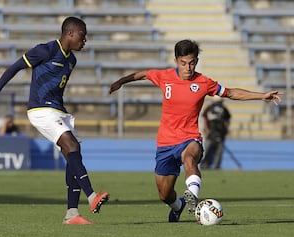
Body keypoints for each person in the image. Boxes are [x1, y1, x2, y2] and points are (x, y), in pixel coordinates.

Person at [109, 39, 281, 222]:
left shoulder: (204, 82)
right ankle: (179, 205)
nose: (188, 67)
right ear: (176, 61)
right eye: (183, 63)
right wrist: (121, 81)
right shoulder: (164, 76)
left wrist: (261, 96)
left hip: (190, 138)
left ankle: (192, 195)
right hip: (165, 142)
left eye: (192, 63)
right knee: (164, 195)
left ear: (196, 61)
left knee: (190, 158)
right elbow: (142, 74)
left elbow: (230, 93)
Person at [0, 16, 109, 225]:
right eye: (82, 36)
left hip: (58, 111)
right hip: (40, 109)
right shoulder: (45, 50)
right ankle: (92, 196)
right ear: (70, 33)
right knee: (71, 145)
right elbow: (15, 67)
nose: (85, 41)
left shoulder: (71, 60)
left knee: (73, 154)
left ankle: (72, 214)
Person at [200, 96, 231, 169]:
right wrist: (225, 130)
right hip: (216, 133)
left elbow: (205, 119)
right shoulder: (223, 108)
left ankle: (207, 165)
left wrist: (206, 130)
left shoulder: (209, 108)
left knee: (209, 150)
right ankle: (213, 165)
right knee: (215, 151)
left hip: (213, 133)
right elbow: (227, 120)